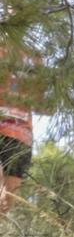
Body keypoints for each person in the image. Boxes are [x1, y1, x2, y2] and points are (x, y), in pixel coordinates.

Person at [0, 54, 33, 216]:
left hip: (21, 135)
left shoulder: (35, 57)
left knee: (5, 204)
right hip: (10, 132)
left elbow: (46, 105)